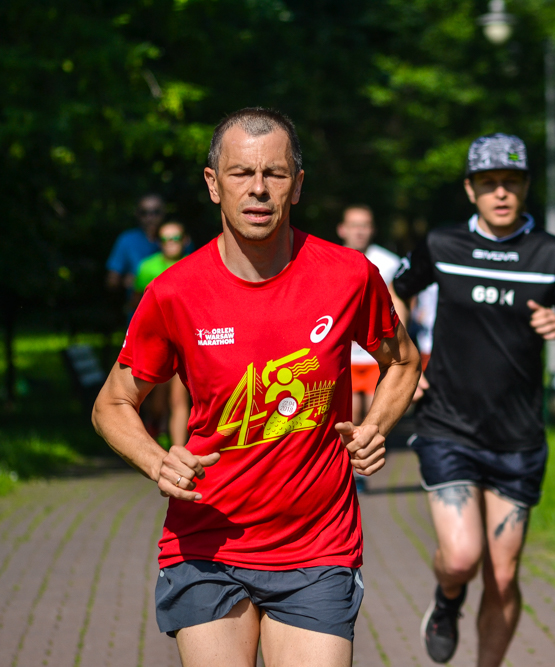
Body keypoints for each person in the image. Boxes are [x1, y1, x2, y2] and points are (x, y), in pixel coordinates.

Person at [92, 107, 421, 667]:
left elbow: (404, 361)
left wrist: (374, 428)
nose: (259, 189)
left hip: (317, 542)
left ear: (297, 185)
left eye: (275, 173)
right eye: (242, 173)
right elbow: (113, 404)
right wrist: (156, 461)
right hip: (206, 543)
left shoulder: (347, 275)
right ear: (213, 184)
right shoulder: (174, 293)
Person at [391, 133, 555, 666]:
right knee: (461, 558)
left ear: (526, 187)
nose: (501, 193)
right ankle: (447, 598)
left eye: (511, 183)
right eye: (489, 184)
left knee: (503, 576)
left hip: (517, 437)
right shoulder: (442, 245)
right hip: (448, 426)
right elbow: (393, 290)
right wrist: (402, 357)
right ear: (470, 190)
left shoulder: (551, 253)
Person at [336, 204, 407, 425]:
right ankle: (348, 461)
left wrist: (403, 346)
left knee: (374, 421)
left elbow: (400, 304)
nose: (359, 231)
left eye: (365, 226)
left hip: (379, 352)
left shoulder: (390, 263)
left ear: (372, 229)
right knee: (351, 417)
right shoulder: (331, 261)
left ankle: (370, 459)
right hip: (344, 353)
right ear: (342, 229)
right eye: (354, 225)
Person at [131, 220, 193, 448]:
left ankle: (178, 451)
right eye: (166, 239)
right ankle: (154, 429)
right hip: (155, 342)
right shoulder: (147, 267)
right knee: (157, 402)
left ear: (185, 241)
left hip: (184, 340)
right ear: (159, 243)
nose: (171, 244)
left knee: (178, 399)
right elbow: (137, 304)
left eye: (175, 238)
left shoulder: (193, 265)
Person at [106, 193, 164, 294]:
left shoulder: (175, 238)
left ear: (163, 213)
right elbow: (111, 280)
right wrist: (128, 281)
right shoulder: (126, 239)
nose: (150, 217)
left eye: (156, 212)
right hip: (137, 305)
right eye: (144, 213)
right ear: (137, 214)